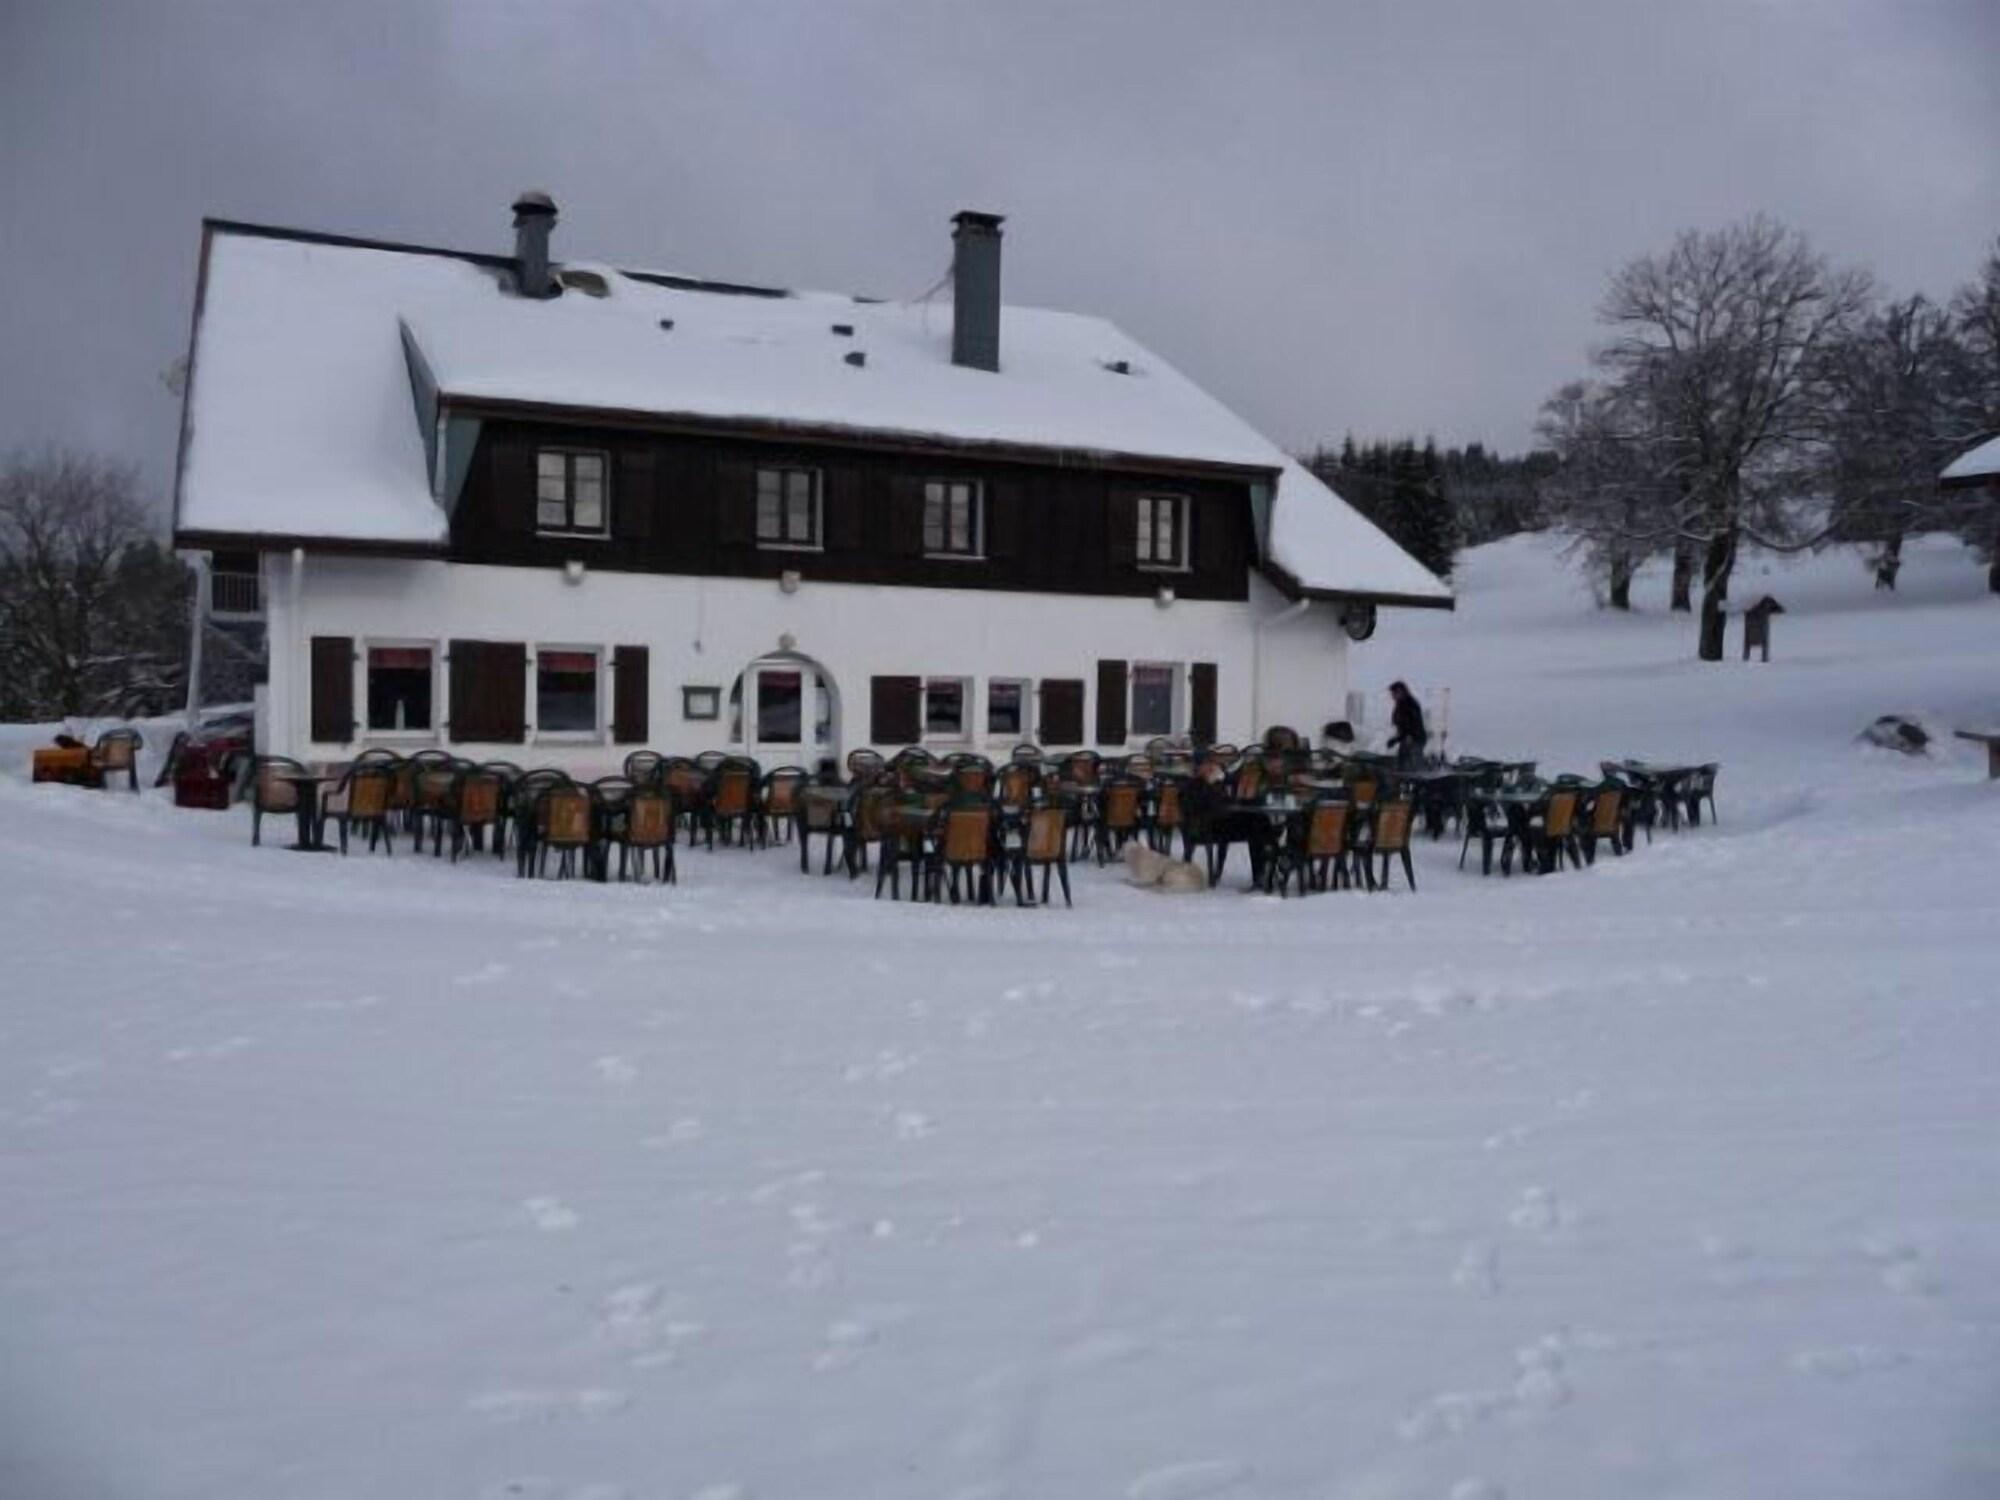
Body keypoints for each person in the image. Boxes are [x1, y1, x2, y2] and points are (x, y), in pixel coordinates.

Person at [1387, 680, 1428, 768]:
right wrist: (1396, 739)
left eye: (1394, 693)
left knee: (1414, 765)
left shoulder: (1410, 704)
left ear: (1400, 692)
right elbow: (1400, 726)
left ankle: (1418, 775)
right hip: (1406, 739)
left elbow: (1412, 725)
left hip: (1414, 739)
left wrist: (1407, 736)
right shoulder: (1399, 705)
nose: (1392, 696)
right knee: (1402, 763)